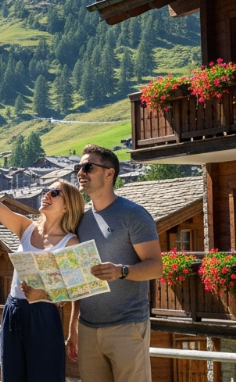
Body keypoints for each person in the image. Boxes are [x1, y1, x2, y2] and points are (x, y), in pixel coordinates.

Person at [0, 163, 84, 382]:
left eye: (55, 192)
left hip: (44, 316)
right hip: (13, 310)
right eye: (47, 189)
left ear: (67, 207)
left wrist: (44, 296)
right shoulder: (26, 228)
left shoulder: (70, 242)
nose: (47, 194)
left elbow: (78, 290)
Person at [67, 144, 162, 382]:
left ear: (109, 173)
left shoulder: (133, 214)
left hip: (127, 326)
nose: (81, 172)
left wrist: (122, 271)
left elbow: (155, 266)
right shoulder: (81, 220)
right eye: (78, 167)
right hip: (88, 328)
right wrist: (73, 327)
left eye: (88, 167)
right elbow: (80, 278)